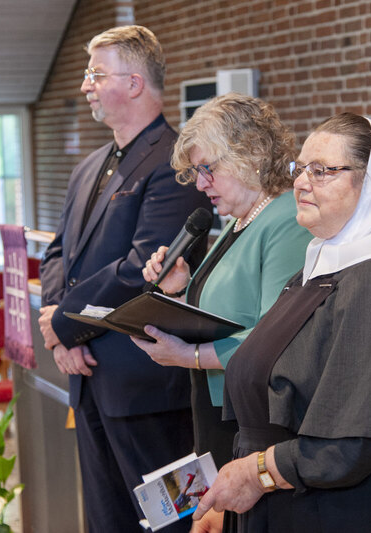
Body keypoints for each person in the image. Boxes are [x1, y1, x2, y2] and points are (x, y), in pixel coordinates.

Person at [191, 113, 371, 533]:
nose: (300, 182)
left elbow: (353, 439)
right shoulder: (323, 267)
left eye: (322, 171)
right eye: (300, 168)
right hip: (298, 503)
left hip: (369, 511)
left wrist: (256, 475)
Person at [37, 25, 211, 533]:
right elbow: (58, 253)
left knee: (172, 521)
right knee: (105, 519)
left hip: (148, 387)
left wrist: (64, 325)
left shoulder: (176, 164)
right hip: (89, 378)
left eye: (96, 74)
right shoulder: (88, 166)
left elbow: (143, 269)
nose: (85, 85)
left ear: (134, 83)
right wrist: (61, 333)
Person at [133, 93, 313, 467]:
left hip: (254, 418)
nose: (201, 184)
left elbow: (276, 338)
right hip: (218, 406)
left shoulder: (286, 221)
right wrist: (179, 290)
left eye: (207, 169)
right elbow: (221, 316)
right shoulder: (239, 220)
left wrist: (188, 356)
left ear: (250, 155)